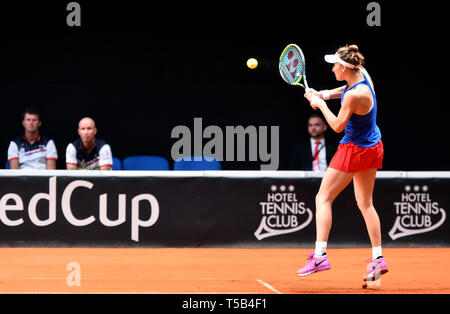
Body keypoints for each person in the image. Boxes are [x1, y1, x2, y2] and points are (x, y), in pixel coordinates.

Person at [297, 45, 388, 282]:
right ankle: (378, 259)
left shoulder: (355, 96)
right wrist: (325, 93)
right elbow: (345, 88)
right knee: (366, 203)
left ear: (346, 67)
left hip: (354, 148)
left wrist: (320, 105)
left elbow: (337, 126)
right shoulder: (361, 74)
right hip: (373, 145)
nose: (333, 68)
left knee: (323, 198)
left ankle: (319, 256)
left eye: (335, 65)